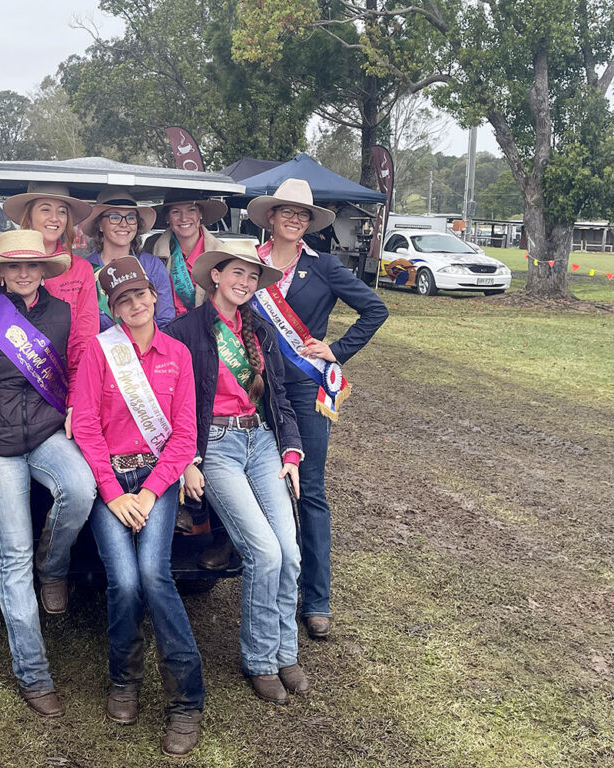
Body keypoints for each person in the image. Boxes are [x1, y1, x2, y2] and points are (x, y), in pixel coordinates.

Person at [0, 229, 96, 717]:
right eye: (15, 266)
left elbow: (77, 369)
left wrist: (74, 407)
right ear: (1, 272)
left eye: (33, 265)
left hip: (49, 433)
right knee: (13, 554)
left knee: (81, 489)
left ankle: (53, 569)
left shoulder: (64, 314)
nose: (25, 273)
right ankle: (33, 672)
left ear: (43, 271)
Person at [71, 256, 205, 757]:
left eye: (140, 296)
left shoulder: (178, 354)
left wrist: (149, 492)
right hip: (111, 482)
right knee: (123, 581)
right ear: (113, 307)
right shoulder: (99, 353)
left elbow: (184, 434)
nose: (134, 305)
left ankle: (187, 700)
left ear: (154, 296)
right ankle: (123, 679)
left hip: (156, 478)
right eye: (122, 300)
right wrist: (112, 493)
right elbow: (85, 425)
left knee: (153, 576)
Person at [165, 240, 309, 705]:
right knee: (264, 551)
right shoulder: (184, 330)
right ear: (215, 276)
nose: (245, 283)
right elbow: (174, 401)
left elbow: (280, 397)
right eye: (236, 274)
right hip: (217, 448)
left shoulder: (262, 331)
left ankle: (286, 651)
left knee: (289, 548)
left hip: (264, 442)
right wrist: (186, 457)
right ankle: (260, 660)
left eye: (252, 277)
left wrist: (291, 451)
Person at [246, 178, 388, 639]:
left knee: (309, 490)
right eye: (286, 211)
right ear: (271, 216)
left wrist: (337, 350)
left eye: (302, 214)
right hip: (254, 387)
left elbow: (374, 309)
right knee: (250, 479)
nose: (293, 218)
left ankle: (317, 598)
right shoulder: (250, 262)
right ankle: (259, 575)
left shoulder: (324, 266)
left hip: (305, 393)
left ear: (309, 222)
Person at [0, 181, 99, 365]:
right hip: (6, 373)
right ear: (28, 216)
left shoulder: (82, 269)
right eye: (45, 209)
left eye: (62, 211)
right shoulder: (1, 264)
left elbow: (87, 334)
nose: (54, 218)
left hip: (64, 374)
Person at [80, 186, 175, 329]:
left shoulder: (152, 265)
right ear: (100, 224)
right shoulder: (84, 269)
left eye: (131, 217)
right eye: (115, 217)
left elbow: (166, 321)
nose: (124, 224)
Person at [143, 189, 228, 316]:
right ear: (167, 217)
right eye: (176, 212)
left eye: (191, 210)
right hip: (166, 328)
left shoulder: (222, 252)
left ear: (200, 214)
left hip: (208, 327)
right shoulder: (151, 247)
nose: (184, 218)